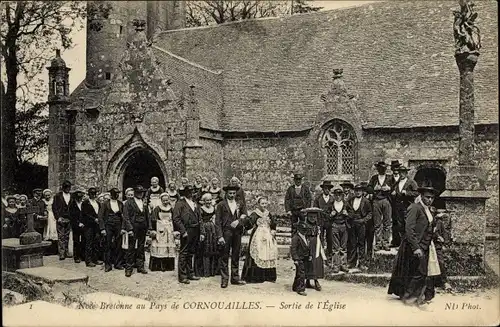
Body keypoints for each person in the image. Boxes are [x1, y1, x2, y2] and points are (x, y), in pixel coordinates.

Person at [388, 187, 441, 306]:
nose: (430, 200)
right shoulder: (414, 208)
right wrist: (416, 247)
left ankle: (418, 297)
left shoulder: (428, 210)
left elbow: (429, 227)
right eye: (427, 197)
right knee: (419, 272)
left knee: (420, 271)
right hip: (414, 246)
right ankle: (409, 298)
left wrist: (435, 237)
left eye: (432, 198)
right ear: (421, 196)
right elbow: (409, 229)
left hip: (425, 245)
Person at [215, 184, 249, 288]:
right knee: (224, 255)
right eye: (230, 193)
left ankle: (235, 278)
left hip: (237, 233)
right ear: (226, 193)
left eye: (234, 193)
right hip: (226, 232)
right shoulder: (221, 205)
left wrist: (239, 221)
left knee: (236, 255)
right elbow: (218, 221)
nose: (232, 195)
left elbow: (246, 217)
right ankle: (224, 279)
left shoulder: (240, 204)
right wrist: (219, 236)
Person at [242, 196, 278, 283]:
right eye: (262, 203)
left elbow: (273, 223)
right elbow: (249, 224)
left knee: (268, 253)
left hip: (268, 235)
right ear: (258, 204)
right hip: (258, 235)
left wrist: (273, 230)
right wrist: (245, 219)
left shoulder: (268, 213)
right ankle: (256, 276)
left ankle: (268, 276)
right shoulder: (255, 213)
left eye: (265, 203)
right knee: (257, 252)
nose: (264, 205)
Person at [173, 185, 202, 283]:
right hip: (187, 230)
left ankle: (190, 273)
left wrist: (201, 231)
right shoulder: (180, 203)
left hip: (195, 230)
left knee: (191, 253)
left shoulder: (195, 204)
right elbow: (176, 218)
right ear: (185, 193)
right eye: (189, 191)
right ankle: (182, 276)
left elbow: (199, 218)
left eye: (193, 191)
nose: (191, 193)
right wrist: (183, 231)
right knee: (184, 252)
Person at [122, 185, 152, 277]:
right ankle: (129, 268)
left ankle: (140, 266)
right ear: (135, 193)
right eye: (139, 192)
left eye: (142, 192)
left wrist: (149, 227)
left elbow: (148, 216)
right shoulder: (129, 202)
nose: (140, 194)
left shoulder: (144, 202)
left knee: (141, 247)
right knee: (131, 248)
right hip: (134, 227)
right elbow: (126, 217)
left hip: (142, 227)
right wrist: (130, 229)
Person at [367, 161, 395, 251]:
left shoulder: (390, 178)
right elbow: (369, 188)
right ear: (377, 169)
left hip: (386, 200)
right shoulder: (374, 178)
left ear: (386, 169)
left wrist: (389, 188)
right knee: (377, 223)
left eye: (383, 168)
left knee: (387, 223)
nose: (382, 170)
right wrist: (374, 189)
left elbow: (395, 188)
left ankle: (386, 242)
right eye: (380, 168)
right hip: (376, 201)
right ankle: (378, 243)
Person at [391, 166, 418, 247]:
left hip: (407, 206)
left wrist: (407, 193)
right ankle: (402, 244)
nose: (401, 174)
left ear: (406, 173)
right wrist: (394, 193)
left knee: (408, 225)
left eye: (403, 172)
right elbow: (394, 191)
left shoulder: (411, 182)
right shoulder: (397, 182)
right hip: (398, 207)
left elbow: (417, 193)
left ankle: (410, 244)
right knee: (400, 225)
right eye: (400, 172)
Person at [99, 188, 125, 272]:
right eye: (115, 193)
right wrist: (102, 228)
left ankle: (118, 264)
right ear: (111, 194)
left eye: (118, 193)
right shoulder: (105, 204)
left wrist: (123, 228)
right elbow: (100, 216)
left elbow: (124, 217)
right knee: (107, 244)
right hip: (108, 225)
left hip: (118, 225)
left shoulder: (120, 204)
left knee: (118, 244)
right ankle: (108, 264)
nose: (117, 195)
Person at [347, 184, 372, 271]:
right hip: (353, 223)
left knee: (361, 243)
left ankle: (361, 263)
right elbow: (348, 210)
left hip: (361, 224)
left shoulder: (366, 201)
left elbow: (370, 213)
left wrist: (364, 220)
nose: (358, 192)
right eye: (356, 190)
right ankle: (352, 262)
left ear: (362, 191)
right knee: (352, 243)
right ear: (354, 191)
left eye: (359, 190)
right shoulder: (351, 200)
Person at [149, 193, 177, 272]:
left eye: (167, 200)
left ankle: (168, 266)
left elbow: (174, 219)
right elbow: (153, 219)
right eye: (164, 200)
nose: (165, 202)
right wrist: (153, 229)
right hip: (160, 230)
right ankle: (159, 266)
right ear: (161, 200)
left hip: (169, 230)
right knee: (160, 247)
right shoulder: (157, 209)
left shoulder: (171, 209)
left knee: (168, 247)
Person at [195, 193, 218, 277]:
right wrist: (202, 232)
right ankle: (204, 271)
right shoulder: (201, 209)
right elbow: (200, 220)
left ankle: (213, 271)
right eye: (206, 200)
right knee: (204, 249)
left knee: (213, 248)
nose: (208, 202)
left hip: (212, 230)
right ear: (203, 201)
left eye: (210, 200)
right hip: (205, 229)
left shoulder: (214, 208)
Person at [302, 208, 326, 291]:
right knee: (308, 262)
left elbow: (320, 236)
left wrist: (322, 245)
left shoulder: (318, 226)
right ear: (307, 217)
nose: (312, 218)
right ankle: (307, 280)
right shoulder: (304, 225)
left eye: (314, 217)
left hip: (316, 245)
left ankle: (316, 280)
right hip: (308, 245)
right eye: (311, 217)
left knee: (316, 263)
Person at [329, 187, 350, 273]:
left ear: (342, 195)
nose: (338, 197)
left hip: (343, 226)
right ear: (334, 195)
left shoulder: (346, 204)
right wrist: (330, 215)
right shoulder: (331, 204)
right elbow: (325, 214)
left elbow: (352, 213)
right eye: (336, 195)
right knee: (335, 248)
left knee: (343, 247)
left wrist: (347, 214)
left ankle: (343, 265)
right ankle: (336, 266)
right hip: (335, 226)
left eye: (339, 195)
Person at [52, 180, 73, 260]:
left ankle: (66, 251)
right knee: (61, 236)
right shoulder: (58, 196)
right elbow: (54, 207)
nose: (68, 189)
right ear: (63, 188)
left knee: (67, 235)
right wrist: (58, 217)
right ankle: (61, 253)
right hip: (61, 218)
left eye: (69, 187)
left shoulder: (71, 196)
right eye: (66, 187)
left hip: (69, 218)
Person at [313, 181, 334, 258]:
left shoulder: (332, 199)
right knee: (320, 238)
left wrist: (332, 214)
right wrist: (316, 220)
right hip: (320, 221)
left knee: (330, 238)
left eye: (329, 189)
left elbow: (335, 208)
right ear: (323, 189)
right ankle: (320, 254)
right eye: (325, 188)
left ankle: (329, 255)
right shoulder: (318, 199)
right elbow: (315, 209)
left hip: (329, 221)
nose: (327, 190)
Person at [82, 187, 102, 267]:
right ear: (89, 194)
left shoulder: (98, 203)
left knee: (96, 242)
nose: (93, 195)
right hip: (89, 225)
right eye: (92, 194)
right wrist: (94, 219)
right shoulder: (85, 203)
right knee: (89, 243)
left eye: (95, 194)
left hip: (97, 226)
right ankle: (88, 260)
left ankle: (95, 259)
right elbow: (85, 214)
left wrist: (99, 219)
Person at [291, 221, 312, 296]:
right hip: (299, 258)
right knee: (301, 273)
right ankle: (301, 289)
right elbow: (293, 249)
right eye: (304, 230)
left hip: (305, 257)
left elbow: (307, 247)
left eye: (306, 230)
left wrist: (309, 255)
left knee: (299, 273)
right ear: (299, 229)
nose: (305, 231)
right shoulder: (296, 238)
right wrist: (295, 259)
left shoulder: (305, 237)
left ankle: (295, 286)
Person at [433, 210, 453, 292]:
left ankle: (444, 282)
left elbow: (443, 233)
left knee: (440, 262)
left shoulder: (439, 222)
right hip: (426, 244)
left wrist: (444, 240)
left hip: (436, 245)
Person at [69, 187, 86, 263]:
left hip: (83, 225)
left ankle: (82, 255)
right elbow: (72, 216)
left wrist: (84, 223)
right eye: (78, 197)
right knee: (76, 241)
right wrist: (78, 223)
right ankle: (76, 256)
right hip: (76, 225)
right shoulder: (72, 205)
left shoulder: (83, 204)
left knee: (83, 240)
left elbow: (85, 214)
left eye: (81, 197)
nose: (80, 199)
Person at [42, 189, 58, 254]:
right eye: (46, 195)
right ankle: (48, 250)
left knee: (53, 230)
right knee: (47, 231)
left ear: (51, 195)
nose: (47, 197)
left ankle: (55, 249)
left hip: (53, 216)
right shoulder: (43, 201)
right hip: (47, 217)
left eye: (48, 195)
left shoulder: (53, 201)